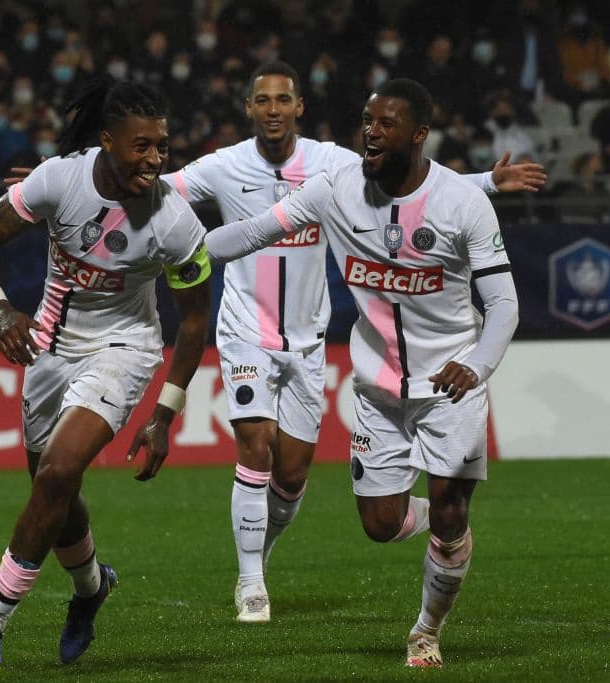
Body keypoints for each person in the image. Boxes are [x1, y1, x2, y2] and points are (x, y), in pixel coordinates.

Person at [162, 61, 545, 624]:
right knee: (333, 498)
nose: (370, 130)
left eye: (384, 123)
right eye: (366, 120)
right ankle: (258, 576)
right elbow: (248, 229)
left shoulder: (398, 185)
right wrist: (170, 249)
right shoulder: (322, 183)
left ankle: (428, 611)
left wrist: (478, 365)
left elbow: (491, 283)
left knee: (327, 484)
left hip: (417, 371)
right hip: (331, 367)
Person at [0, 79, 213, 674]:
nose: (154, 161)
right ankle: (91, 587)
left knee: (60, 470)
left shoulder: (175, 224)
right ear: (107, 141)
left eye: (163, 148)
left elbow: (196, 319)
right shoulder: (60, 179)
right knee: (54, 490)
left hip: (124, 349)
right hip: (48, 348)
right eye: (141, 147)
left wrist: (164, 415)